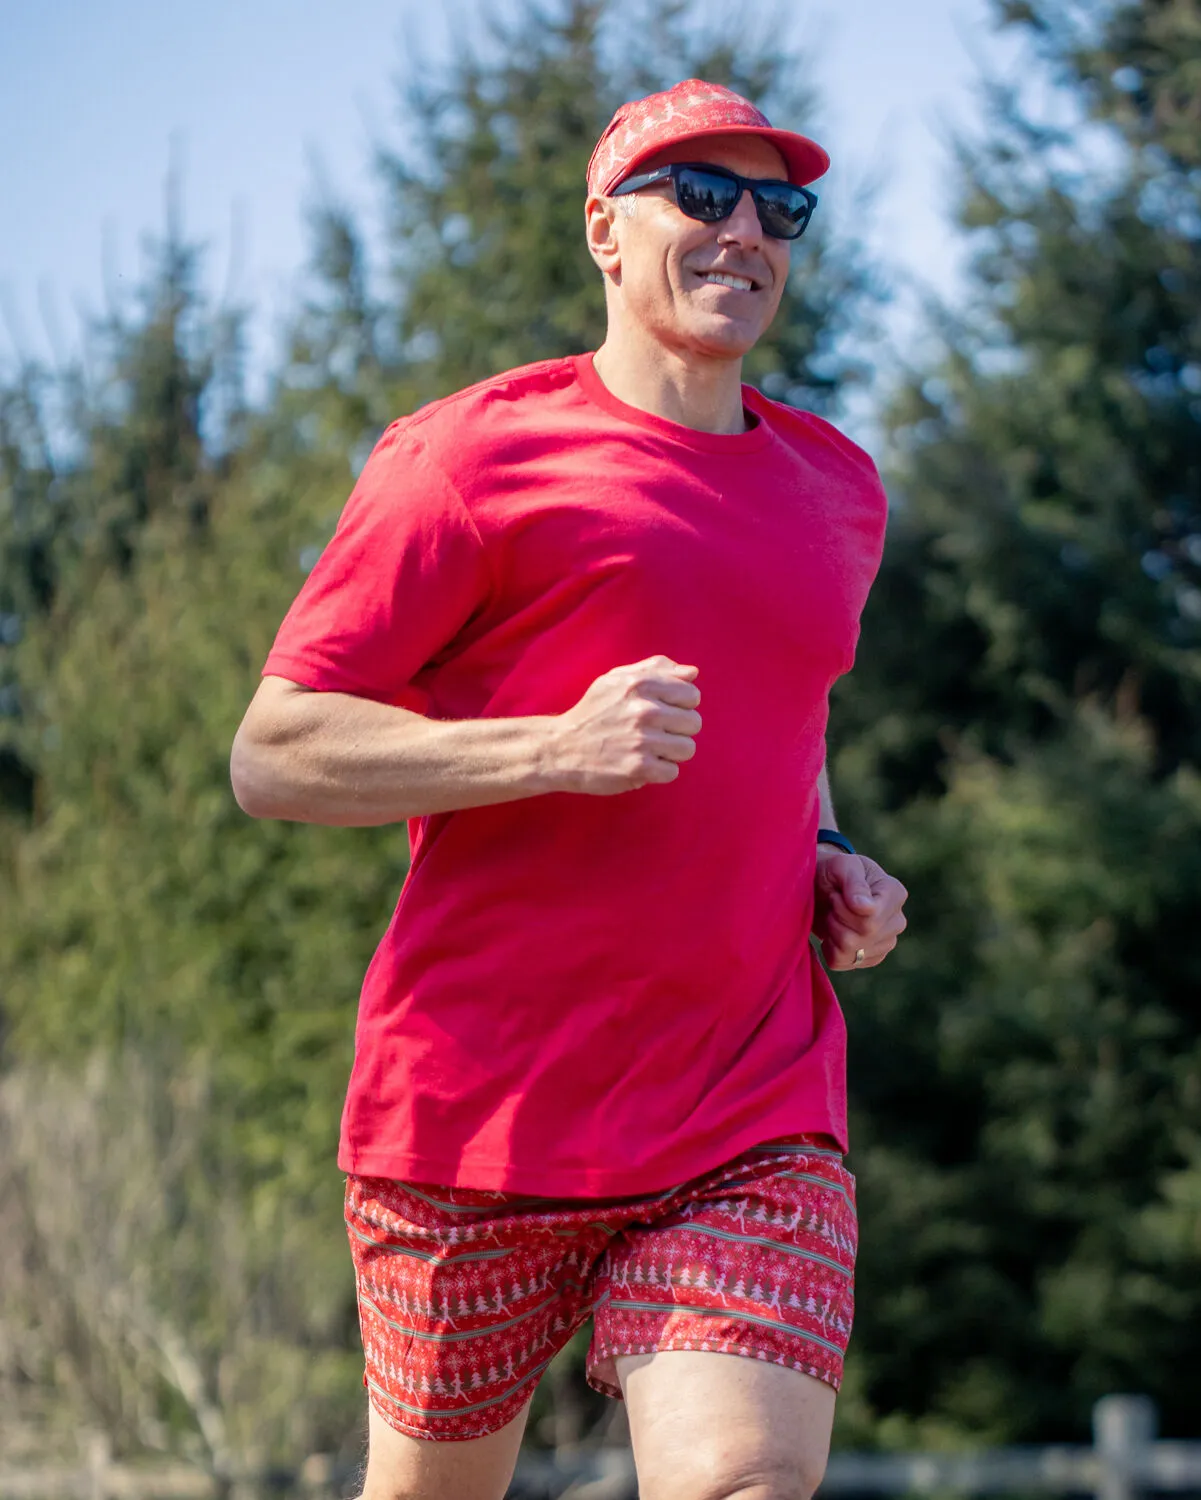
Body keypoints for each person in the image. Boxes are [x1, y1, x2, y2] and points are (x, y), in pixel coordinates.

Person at [231, 78, 908, 1500]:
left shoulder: (837, 488)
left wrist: (829, 847)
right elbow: (276, 752)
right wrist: (549, 749)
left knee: (746, 1481)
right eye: (702, 196)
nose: (746, 232)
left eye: (779, 208)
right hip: (477, 1110)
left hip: (746, 1103)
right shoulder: (465, 459)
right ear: (605, 228)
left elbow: (791, 712)